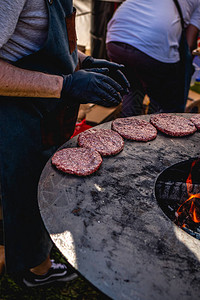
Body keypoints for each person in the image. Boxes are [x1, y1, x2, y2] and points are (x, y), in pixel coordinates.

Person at [0, 0, 129, 287]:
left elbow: (49, 39)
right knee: (26, 187)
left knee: (36, 184)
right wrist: (65, 85)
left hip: (46, 111)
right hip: (15, 111)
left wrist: (84, 61)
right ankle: (37, 271)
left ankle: (22, 251)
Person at [106, 0, 200, 117]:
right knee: (164, 103)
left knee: (131, 90)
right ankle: (156, 126)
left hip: (117, 38)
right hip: (154, 44)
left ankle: (128, 129)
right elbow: (189, 43)